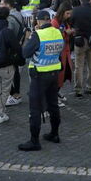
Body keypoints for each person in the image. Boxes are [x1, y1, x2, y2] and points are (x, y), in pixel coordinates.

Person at [18, 10, 63, 151]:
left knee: (35, 109)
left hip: (39, 75)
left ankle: (34, 141)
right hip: (54, 73)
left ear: (37, 21)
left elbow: (25, 53)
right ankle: (54, 134)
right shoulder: (57, 32)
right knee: (53, 105)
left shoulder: (38, 35)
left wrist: (29, 38)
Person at [69, 0, 91, 97]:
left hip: (79, 39)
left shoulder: (75, 11)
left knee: (79, 66)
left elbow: (71, 23)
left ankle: (78, 89)